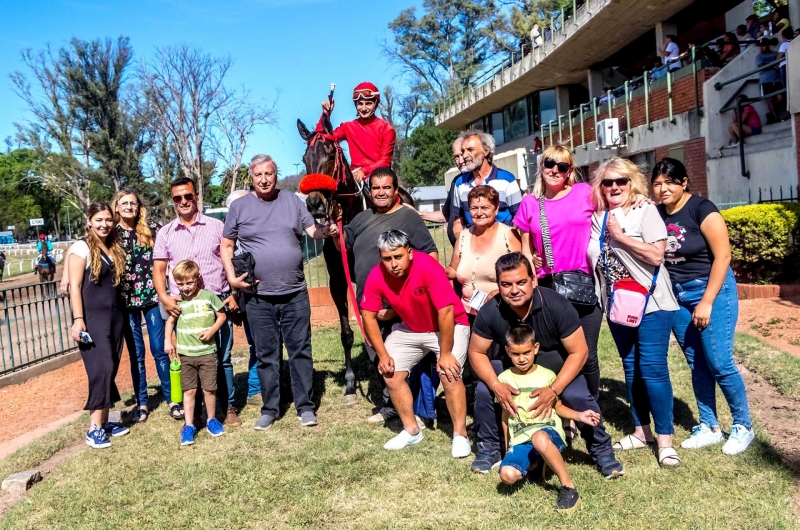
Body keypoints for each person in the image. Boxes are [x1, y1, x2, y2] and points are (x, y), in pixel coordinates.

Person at [468, 252, 623, 477]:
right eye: (506, 284)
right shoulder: (491, 310)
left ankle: (601, 449)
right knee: (483, 390)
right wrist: (495, 385)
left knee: (578, 396)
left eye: (521, 282)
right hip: (513, 368)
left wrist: (554, 389)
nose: (514, 290)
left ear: (533, 280)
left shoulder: (556, 305)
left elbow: (579, 351)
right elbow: (476, 351)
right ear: (499, 285)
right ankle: (489, 448)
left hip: (557, 370)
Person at [221, 154, 336, 431]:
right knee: (266, 354)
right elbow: (226, 246)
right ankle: (270, 408)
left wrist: (327, 230)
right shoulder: (240, 207)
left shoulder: (291, 201)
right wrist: (232, 279)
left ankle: (305, 407)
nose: (264, 179)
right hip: (258, 296)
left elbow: (312, 231)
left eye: (269, 174)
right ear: (252, 177)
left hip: (294, 292)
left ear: (276, 175)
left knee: (300, 350)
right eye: (258, 174)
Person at [652, 158, 754, 455]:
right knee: (697, 362)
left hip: (711, 290)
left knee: (719, 362)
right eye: (657, 183)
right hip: (678, 297)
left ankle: (743, 426)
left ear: (684, 182)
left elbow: (723, 257)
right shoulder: (657, 214)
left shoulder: (701, 209)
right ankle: (709, 426)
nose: (663, 189)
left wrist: (707, 301)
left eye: (670, 182)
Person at [587, 157, 680, 467]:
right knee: (630, 367)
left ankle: (665, 441)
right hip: (617, 303)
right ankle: (642, 432)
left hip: (651, 302)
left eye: (621, 181)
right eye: (607, 182)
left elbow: (657, 254)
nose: (614, 187)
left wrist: (621, 237)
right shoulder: (597, 218)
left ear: (632, 183)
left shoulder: (646, 210)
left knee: (653, 367)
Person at [334, 166, 439, 424]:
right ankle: (391, 402)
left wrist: (411, 297)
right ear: (369, 191)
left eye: (386, 188)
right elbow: (342, 245)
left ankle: (413, 407)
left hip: (400, 302)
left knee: (405, 357)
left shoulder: (408, 217)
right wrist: (335, 225)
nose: (380, 193)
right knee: (377, 354)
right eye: (376, 188)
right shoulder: (361, 219)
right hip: (368, 302)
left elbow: (431, 254)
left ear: (395, 190)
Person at [360, 230, 471, 457]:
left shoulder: (428, 267)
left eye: (398, 257)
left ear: (409, 252)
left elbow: (446, 311)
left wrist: (446, 353)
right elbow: (368, 316)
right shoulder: (376, 275)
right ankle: (411, 430)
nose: (393, 264)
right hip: (410, 328)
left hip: (448, 325)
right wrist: (382, 355)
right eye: (387, 259)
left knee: (449, 373)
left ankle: (460, 435)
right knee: (390, 373)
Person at [514, 145, 604, 400]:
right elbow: (524, 247)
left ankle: (590, 406)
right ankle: (561, 406)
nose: (555, 170)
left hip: (584, 283)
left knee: (587, 353)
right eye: (550, 164)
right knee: (555, 352)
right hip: (548, 287)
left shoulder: (585, 193)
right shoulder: (530, 203)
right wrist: (530, 261)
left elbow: (612, 212)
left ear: (569, 171)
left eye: (562, 167)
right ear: (541, 166)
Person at [153, 177, 241, 427]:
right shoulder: (166, 233)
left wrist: (233, 293)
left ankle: (229, 406)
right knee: (190, 359)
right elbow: (159, 270)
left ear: (196, 196)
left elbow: (230, 261)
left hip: (216, 303)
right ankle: (197, 411)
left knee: (221, 359)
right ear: (173, 202)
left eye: (187, 196)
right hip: (183, 309)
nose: (183, 201)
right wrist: (165, 297)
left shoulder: (216, 227)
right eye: (177, 198)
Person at [497, 326, 600, 513]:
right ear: (508, 351)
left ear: (536, 348)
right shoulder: (504, 379)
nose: (522, 358)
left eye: (526, 352)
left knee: (539, 438)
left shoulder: (547, 375)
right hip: (521, 438)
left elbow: (557, 406)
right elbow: (505, 416)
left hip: (548, 433)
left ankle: (569, 488)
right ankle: (536, 464)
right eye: (516, 354)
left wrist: (579, 416)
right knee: (507, 475)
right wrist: (507, 448)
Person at [67, 202, 130, 449]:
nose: (104, 224)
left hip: (115, 316)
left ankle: (104, 423)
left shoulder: (113, 246)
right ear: (89, 220)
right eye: (99, 220)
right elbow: (74, 287)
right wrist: (78, 319)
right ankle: (94, 429)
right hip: (92, 319)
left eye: (108, 220)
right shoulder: (81, 247)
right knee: (100, 369)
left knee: (111, 367)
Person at [112, 189, 173, 424]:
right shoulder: (111, 233)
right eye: (124, 203)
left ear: (139, 207)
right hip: (126, 302)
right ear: (117, 207)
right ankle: (142, 402)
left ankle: (172, 399)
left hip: (151, 297)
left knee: (160, 349)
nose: (129, 207)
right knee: (136, 354)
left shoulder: (153, 229)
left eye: (133, 203)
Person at [164, 260, 227, 446]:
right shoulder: (178, 301)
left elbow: (222, 315)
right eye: (180, 284)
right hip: (185, 355)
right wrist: (168, 341)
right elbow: (169, 323)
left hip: (207, 353)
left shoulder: (208, 296)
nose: (186, 288)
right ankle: (189, 425)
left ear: (198, 279)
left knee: (209, 389)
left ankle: (212, 420)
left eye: (189, 283)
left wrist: (212, 331)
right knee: (189, 390)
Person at [446, 185, 520, 318]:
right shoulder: (463, 236)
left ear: (496, 209)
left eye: (485, 207)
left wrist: (499, 291)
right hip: (466, 313)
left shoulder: (509, 235)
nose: (479, 213)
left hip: (501, 311)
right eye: (474, 208)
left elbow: (521, 274)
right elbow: (453, 270)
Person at [224, 189, 262, 407]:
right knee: (257, 343)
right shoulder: (230, 238)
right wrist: (235, 296)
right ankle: (256, 388)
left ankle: (268, 384)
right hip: (246, 297)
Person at [451, 131, 522, 240]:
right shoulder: (460, 184)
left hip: (504, 249)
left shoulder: (507, 180)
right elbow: (457, 222)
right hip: (473, 249)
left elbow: (520, 218)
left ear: (486, 151)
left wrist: (507, 242)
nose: (464, 156)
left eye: (470, 150)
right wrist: (461, 244)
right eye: (463, 151)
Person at [319, 82, 396, 182]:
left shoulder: (386, 128)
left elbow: (385, 161)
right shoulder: (347, 127)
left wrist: (363, 171)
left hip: (379, 176)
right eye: (360, 104)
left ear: (375, 104)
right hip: (354, 176)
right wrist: (325, 114)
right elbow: (323, 140)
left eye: (368, 103)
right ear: (356, 105)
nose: (363, 108)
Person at [406, 136, 466, 246]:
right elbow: (445, 216)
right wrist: (417, 213)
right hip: (459, 251)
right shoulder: (456, 182)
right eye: (456, 157)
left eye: (462, 155)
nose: (460, 161)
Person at [755, 37, 781, 120]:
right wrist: (773, 66)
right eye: (760, 46)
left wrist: (777, 66)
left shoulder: (775, 54)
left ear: (767, 45)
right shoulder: (759, 56)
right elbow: (761, 66)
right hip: (765, 81)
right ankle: (775, 118)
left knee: (780, 98)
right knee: (769, 100)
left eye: (763, 45)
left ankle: (771, 114)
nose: (761, 48)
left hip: (777, 79)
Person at [777, 27, 793, 95]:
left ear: (783, 36)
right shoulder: (795, 42)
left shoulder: (784, 44)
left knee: (786, 86)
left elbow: (779, 56)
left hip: (784, 66)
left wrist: (775, 64)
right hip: (793, 65)